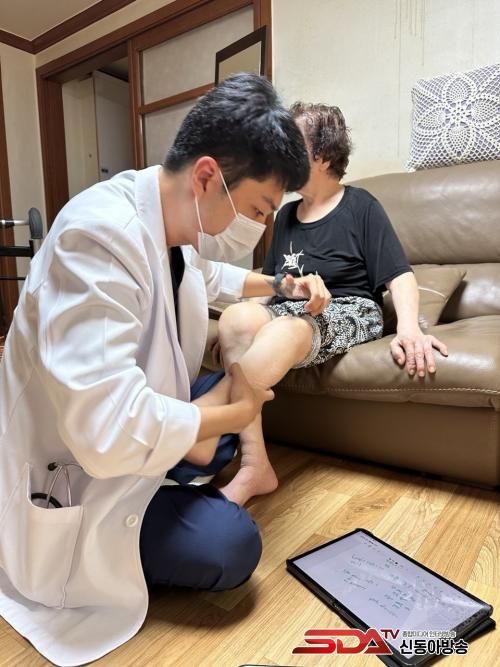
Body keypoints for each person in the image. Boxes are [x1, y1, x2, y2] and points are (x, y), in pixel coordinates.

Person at [0, 74, 329, 667]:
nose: (257, 225)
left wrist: (282, 287)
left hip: (138, 420)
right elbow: (104, 431)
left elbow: (213, 277)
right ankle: (195, 455)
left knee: (222, 396)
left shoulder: (172, 221)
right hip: (82, 465)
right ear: (206, 177)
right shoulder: (98, 238)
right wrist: (236, 411)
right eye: (257, 209)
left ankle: (196, 451)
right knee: (231, 546)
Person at [215, 102, 448, 507]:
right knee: (235, 319)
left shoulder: (361, 206)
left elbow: (399, 274)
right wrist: (249, 319)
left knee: (283, 329)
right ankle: (255, 464)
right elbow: (271, 286)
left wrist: (410, 328)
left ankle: (203, 422)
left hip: (350, 308)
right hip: (294, 307)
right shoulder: (285, 216)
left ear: (322, 156)